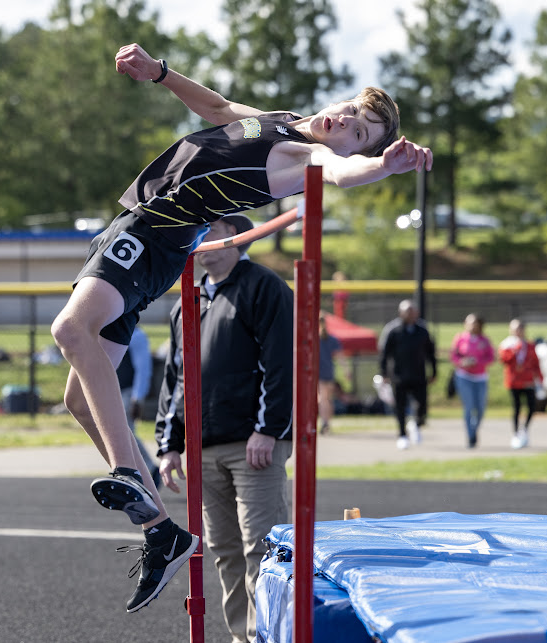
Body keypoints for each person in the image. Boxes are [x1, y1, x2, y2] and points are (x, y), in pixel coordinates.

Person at [49, 42, 433, 613]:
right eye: (353, 111)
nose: (348, 123)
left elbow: (342, 173)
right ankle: (161, 530)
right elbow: (221, 110)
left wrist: (382, 164)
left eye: (360, 131)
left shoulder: (302, 160)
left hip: (153, 235)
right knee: (80, 397)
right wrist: (160, 74)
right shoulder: (282, 124)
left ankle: (129, 471)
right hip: (142, 230)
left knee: (70, 332)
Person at [155, 215, 293, 643]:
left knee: (263, 548)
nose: (199, 239)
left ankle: (270, 635)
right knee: (224, 551)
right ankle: (243, 635)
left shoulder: (263, 287)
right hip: (203, 448)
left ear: (237, 237)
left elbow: (281, 362)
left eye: (209, 230)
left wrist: (268, 429)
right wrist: (170, 443)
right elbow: (177, 379)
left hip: (252, 444)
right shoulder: (187, 302)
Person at [378, 300, 437, 450]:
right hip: (399, 376)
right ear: (401, 313)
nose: (411, 315)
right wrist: (384, 372)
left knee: (422, 405)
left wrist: (434, 371)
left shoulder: (422, 330)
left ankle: (416, 423)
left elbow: (431, 352)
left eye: (413, 311)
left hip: (419, 374)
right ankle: (402, 435)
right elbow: (384, 353)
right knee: (400, 407)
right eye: (407, 312)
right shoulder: (393, 330)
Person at [116, 326, 160, 487]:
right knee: (120, 435)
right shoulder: (111, 330)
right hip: (114, 392)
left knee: (126, 434)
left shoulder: (136, 335)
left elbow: (143, 369)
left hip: (127, 393)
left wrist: (138, 398)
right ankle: (133, 471)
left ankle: (148, 469)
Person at [450, 313, 495, 448]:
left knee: (480, 408)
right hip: (464, 376)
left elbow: (491, 357)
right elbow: (453, 356)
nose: (472, 326)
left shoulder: (484, 340)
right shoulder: (460, 338)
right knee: (469, 407)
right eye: (469, 323)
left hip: (480, 377)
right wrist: (462, 362)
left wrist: (478, 362)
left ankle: (474, 429)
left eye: (474, 323)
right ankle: (470, 436)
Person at [499, 319, 543, 449]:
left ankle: (524, 429)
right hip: (514, 381)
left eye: (520, 328)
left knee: (531, 406)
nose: (518, 331)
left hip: (528, 380)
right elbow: (504, 360)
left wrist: (540, 379)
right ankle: (516, 433)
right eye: (515, 329)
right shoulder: (507, 344)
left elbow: (535, 363)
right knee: (517, 407)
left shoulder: (529, 345)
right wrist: (514, 350)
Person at [318, 313, 343, 435]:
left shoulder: (315, 338)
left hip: (320, 371)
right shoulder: (332, 339)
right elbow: (340, 357)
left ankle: (325, 423)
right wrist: (346, 370)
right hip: (329, 371)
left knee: (323, 399)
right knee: (327, 399)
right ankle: (327, 422)